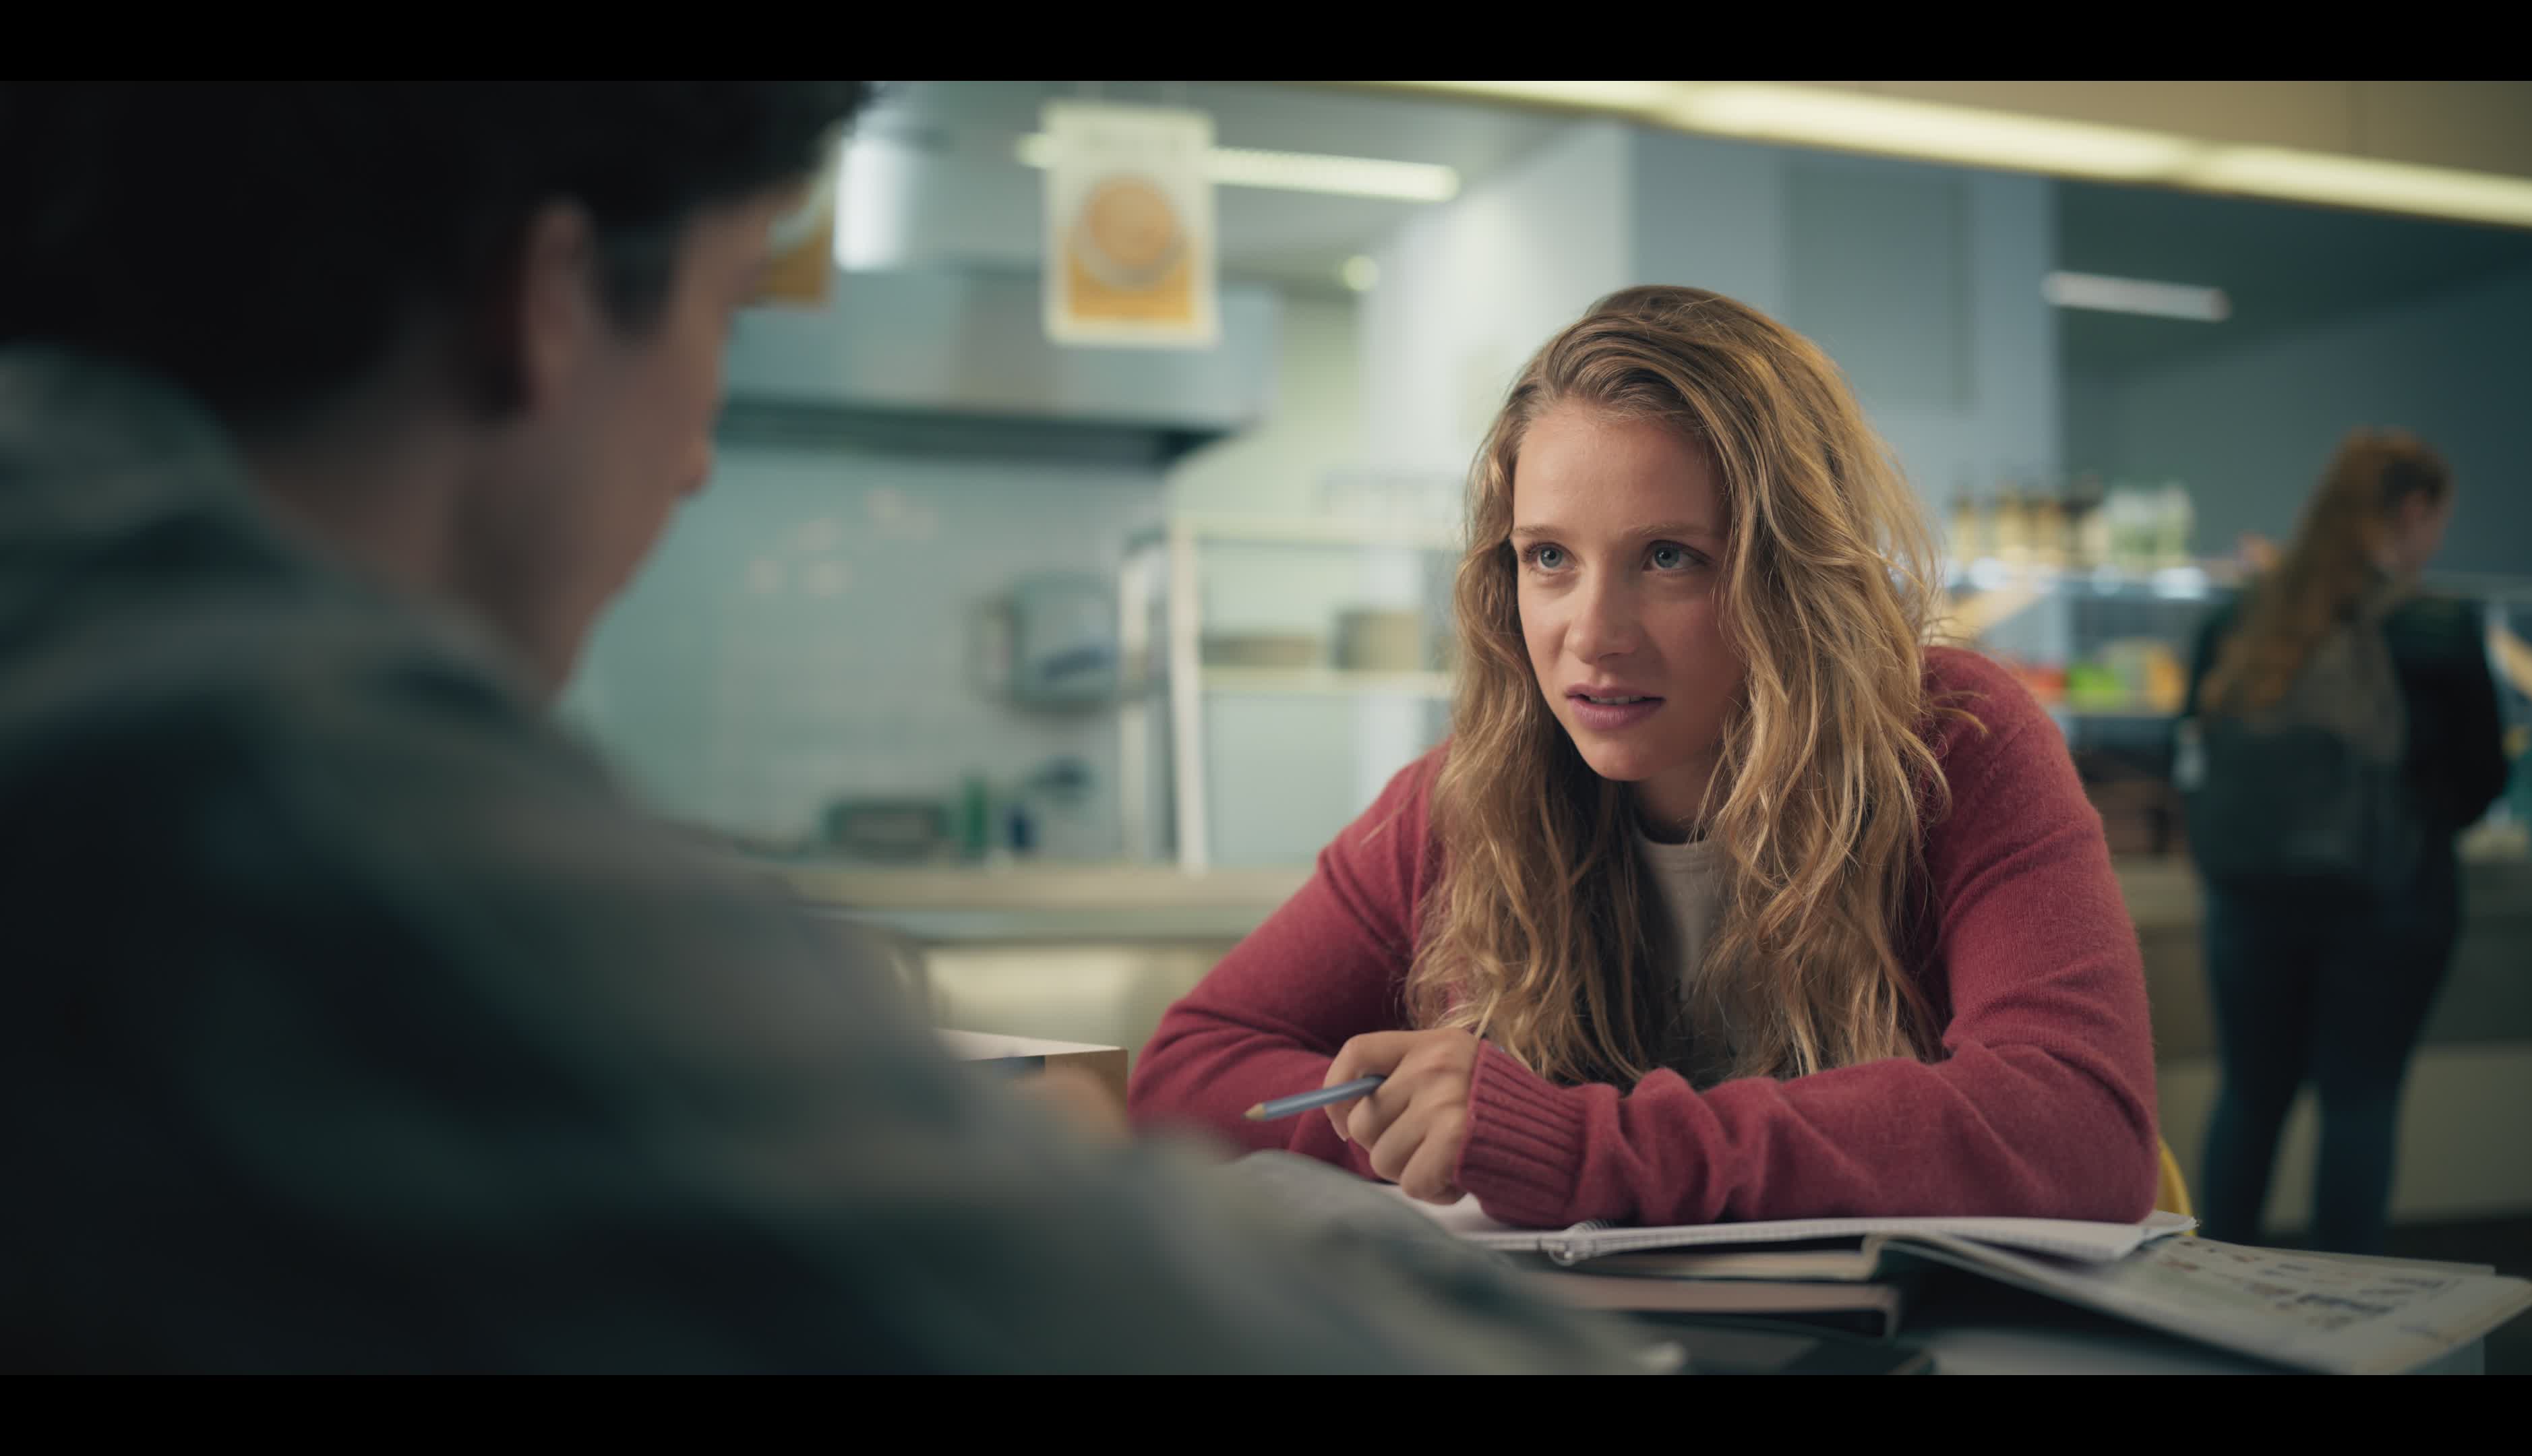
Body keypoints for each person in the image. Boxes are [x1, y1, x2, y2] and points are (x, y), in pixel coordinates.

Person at [0, 82, 1652, 1374]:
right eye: (730, 311)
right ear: (547, 300)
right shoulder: (276, 787)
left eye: (1670, 559)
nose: (696, 458)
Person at [1130, 286, 2163, 1230]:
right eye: (1549, 558)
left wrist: (1578, 1148)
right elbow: (1184, 1073)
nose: (1592, 634)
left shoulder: (1952, 743)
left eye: (1669, 558)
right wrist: (1416, 1137)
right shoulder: (1461, 799)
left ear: (1795, 575)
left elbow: (2080, 1131)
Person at [2181, 430, 2506, 1255]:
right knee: (2360, 1101)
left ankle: (2208, 1286)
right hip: (2388, 900)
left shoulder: (2238, 618)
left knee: (2249, 1096)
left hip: (2247, 902)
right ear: (2415, 510)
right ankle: (2347, 1306)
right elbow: (2482, 778)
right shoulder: (2434, 627)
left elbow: (2187, 751)